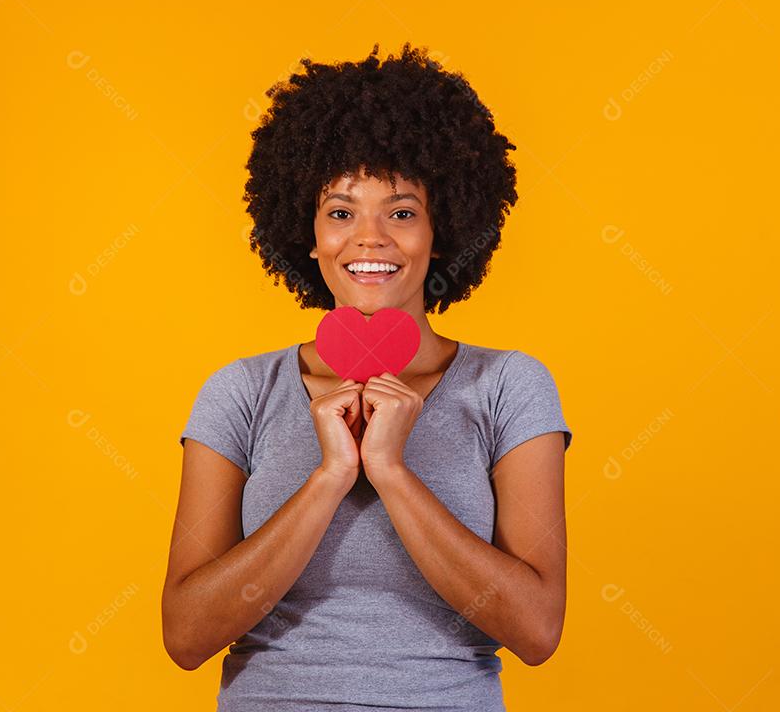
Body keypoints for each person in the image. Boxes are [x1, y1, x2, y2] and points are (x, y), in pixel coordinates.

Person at [161, 42, 573, 711]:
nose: (370, 237)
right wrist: (329, 477)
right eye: (341, 211)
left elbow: (536, 629)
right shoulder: (241, 392)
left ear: (440, 231)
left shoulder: (507, 387)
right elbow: (186, 635)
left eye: (402, 212)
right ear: (309, 232)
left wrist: (391, 472)